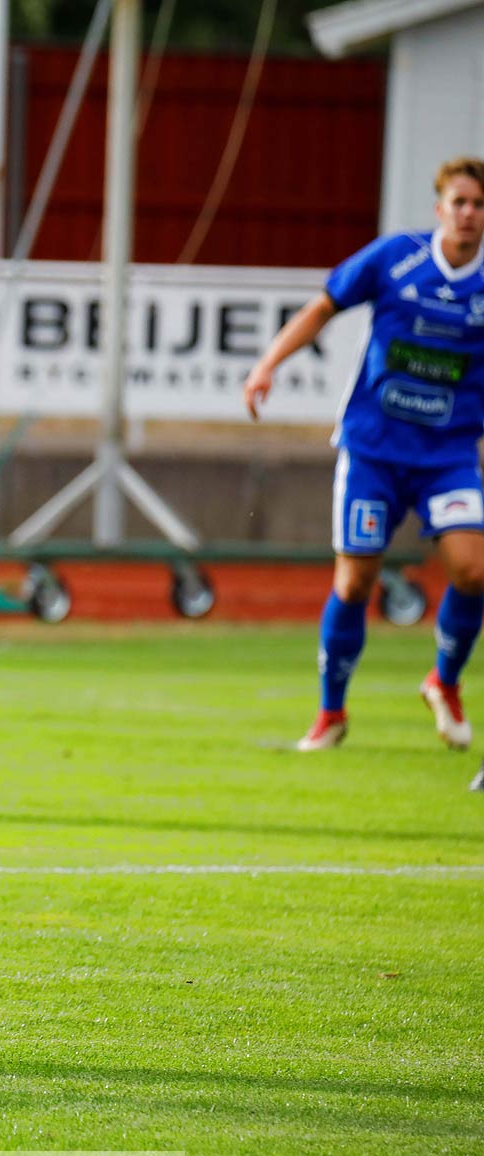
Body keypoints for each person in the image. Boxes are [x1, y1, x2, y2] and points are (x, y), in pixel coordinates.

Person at [245, 156, 484, 756]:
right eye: (460, 203)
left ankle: (443, 682)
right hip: (374, 449)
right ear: (439, 209)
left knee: (474, 570)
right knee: (354, 585)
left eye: (479, 206)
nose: (469, 215)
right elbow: (323, 306)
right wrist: (267, 365)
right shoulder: (394, 259)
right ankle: (331, 712)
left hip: (448, 454)